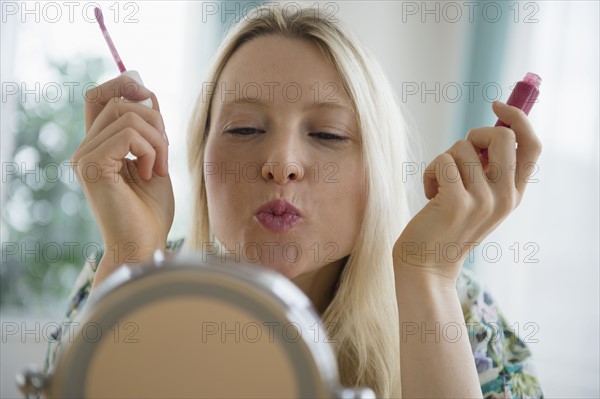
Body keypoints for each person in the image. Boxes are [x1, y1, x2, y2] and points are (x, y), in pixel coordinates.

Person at [46, 4, 544, 398]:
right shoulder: (121, 280)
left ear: (378, 170)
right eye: (243, 128)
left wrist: (426, 277)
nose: (281, 164)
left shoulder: (461, 313)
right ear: (201, 161)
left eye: (328, 134)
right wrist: (132, 259)